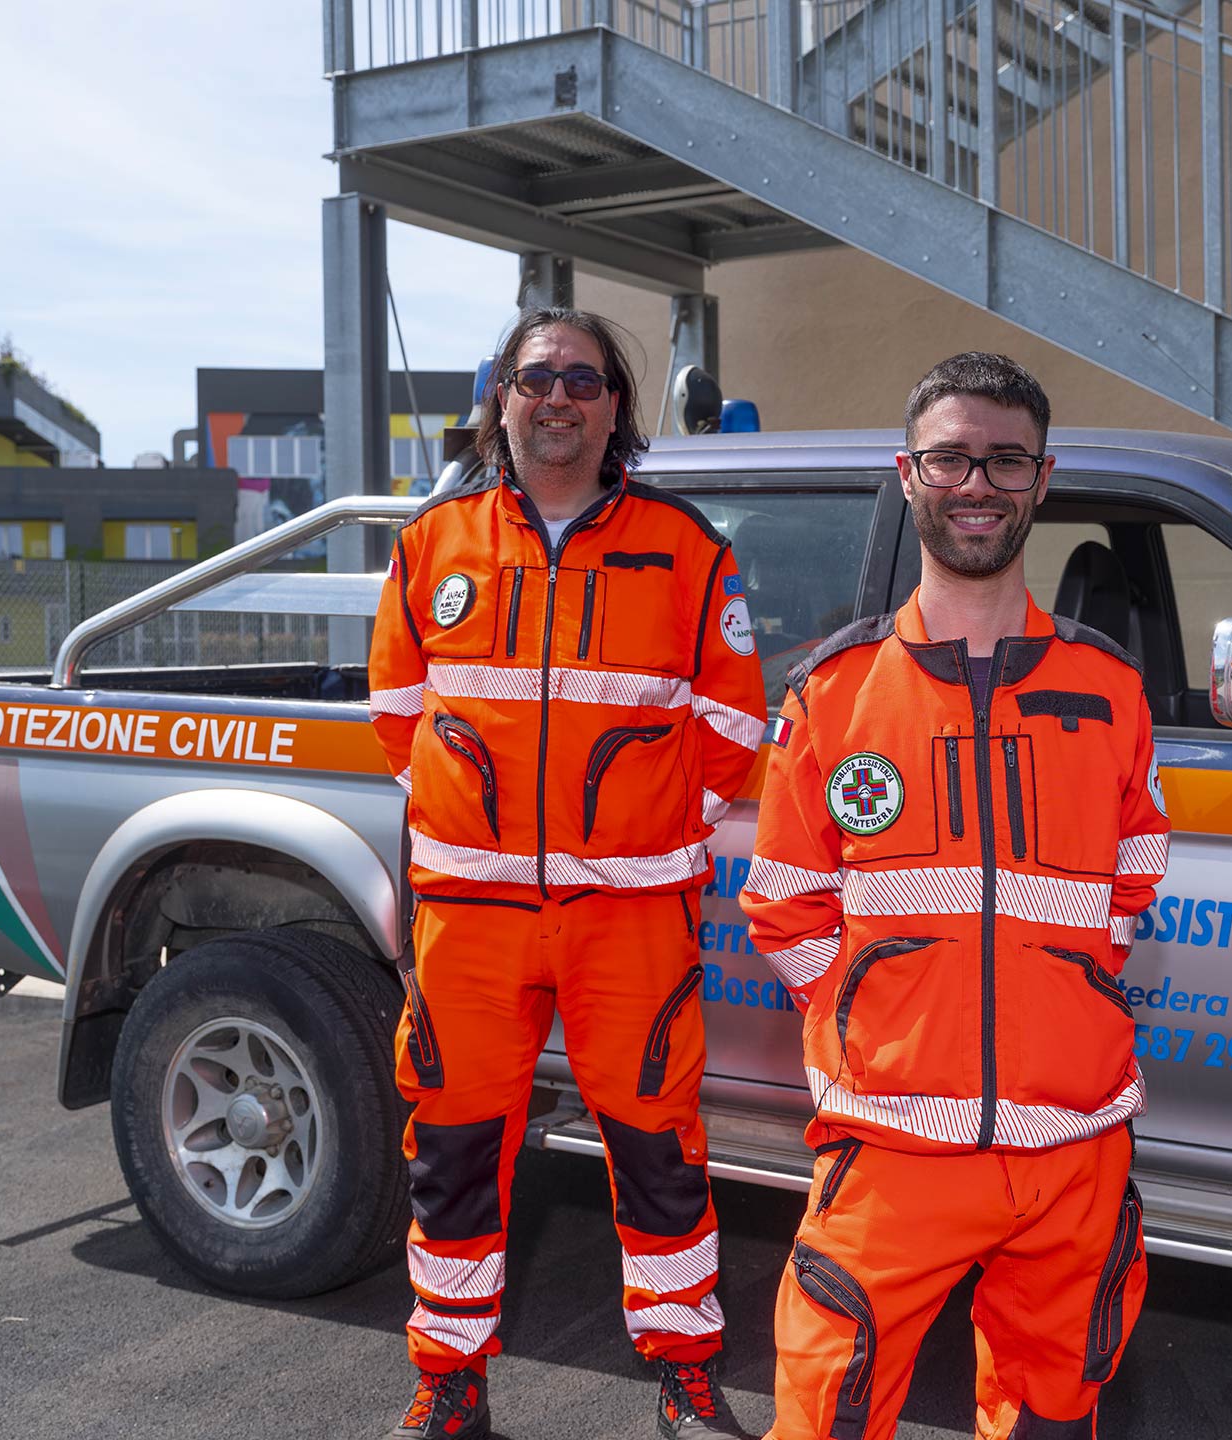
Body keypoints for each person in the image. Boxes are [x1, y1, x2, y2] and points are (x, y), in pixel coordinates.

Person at [740, 352, 1170, 1439]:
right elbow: (785, 906)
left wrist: (1066, 1002)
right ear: (908, 473)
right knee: (825, 1412)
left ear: (1040, 477)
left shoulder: (1110, 689)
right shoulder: (834, 695)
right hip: (891, 1148)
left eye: (1004, 459)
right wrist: (874, 1016)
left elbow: (1134, 881)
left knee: (1052, 1418)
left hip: (1072, 1151)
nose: (976, 483)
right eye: (950, 458)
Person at [368, 307, 768, 1440]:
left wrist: (636, 833)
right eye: (537, 376)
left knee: (659, 1149)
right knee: (451, 1148)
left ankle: (686, 1380)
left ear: (614, 408)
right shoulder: (434, 541)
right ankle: (449, 1382)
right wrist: (478, 822)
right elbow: (401, 719)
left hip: (630, 918)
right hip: (471, 919)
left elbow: (734, 727)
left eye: (583, 380)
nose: (558, 396)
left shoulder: (689, 548)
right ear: (502, 399)